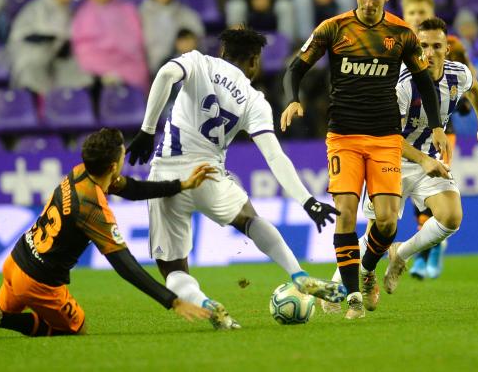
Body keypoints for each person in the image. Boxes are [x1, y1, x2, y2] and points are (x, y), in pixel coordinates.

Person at [0, 128, 215, 342]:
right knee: (74, 329)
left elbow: (132, 188)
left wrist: (181, 185)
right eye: (122, 155)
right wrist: (172, 300)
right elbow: (124, 265)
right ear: (113, 164)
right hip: (39, 283)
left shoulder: (80, 173)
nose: (124, 160)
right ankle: (0, 319)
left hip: (17, 261)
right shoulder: (92, 207)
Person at [125, 27, 347, 330]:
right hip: (208, 176)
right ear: (254, 61)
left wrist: (147, 130)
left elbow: (165, 74)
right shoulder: (255, 100)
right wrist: (307, 200)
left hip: (166, 173)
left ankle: (207, 305)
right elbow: (274, 156)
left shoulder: (198, 62)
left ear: (222, 52)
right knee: (250, 220)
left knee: (174, 269)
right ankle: (297, 274)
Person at [280, 0, 448, 319]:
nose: (370, 2)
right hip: (343, 136)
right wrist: (292, 99)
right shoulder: (334, 28)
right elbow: (296, 67)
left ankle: (369, 269)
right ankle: (352, 294)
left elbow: (423, 82)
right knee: (345, 216)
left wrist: (435, 125)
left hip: (386, 137)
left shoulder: (402, 34)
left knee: (387, 222)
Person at [365, 18, 478, 297]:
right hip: (391, 159)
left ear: (447, 49)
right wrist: (423, 160)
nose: (430, 52)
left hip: (428, 159)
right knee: (381, 230)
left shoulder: (458, 73)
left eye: (437, 46)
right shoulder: (402, 83)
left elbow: (475, 90)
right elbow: (388, 135)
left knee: (451, 217)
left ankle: (402, 254)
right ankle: (349, 280)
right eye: (423, 46)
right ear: (415, 48)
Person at [7, 0, 92, 96]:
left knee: (77, 69)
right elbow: (22, 34)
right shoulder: (38, 8)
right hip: (30, 53)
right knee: (33, 75)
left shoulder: (65, 10)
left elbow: (67, 35)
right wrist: (50, 38)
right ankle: (40, 103)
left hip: (53, 54)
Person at [71, 0, 149, 93]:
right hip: (98, 58)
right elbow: (81, 43)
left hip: (125, 57)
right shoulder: (83, 13)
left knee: (140, 71)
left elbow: (135, 35)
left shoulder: (126, 9)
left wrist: (120, 47)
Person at [140, 0, 204, 75]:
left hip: (179, 62)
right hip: (147, 64)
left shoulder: (186, 13)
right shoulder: (141, 14)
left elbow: (196, 35)